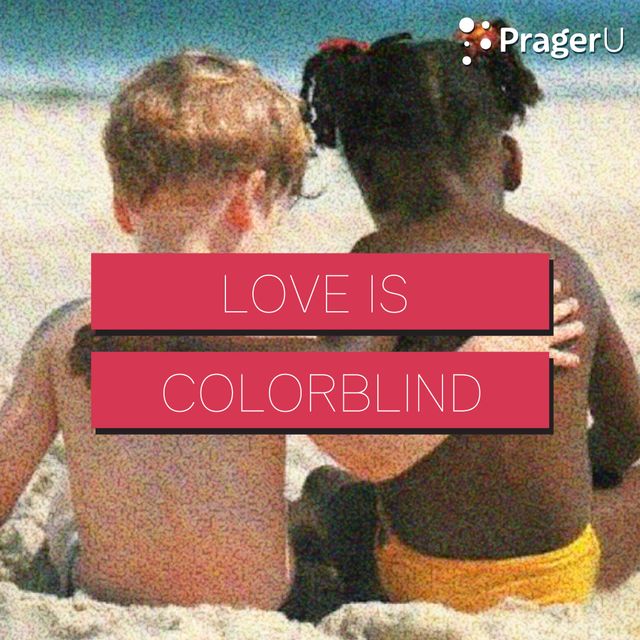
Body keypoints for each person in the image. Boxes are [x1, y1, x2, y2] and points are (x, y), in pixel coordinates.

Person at [0, 48, 582, 611]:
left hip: (108, 598)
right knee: (321, 507)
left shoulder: (65, 333)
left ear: (123, 207)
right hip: (256, 607)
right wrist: (483, 362)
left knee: (67, 509)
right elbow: (373, 454)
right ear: (251, 198)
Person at [297, 23, 640, 613]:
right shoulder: (563, 263)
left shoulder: (382, 261)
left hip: (424, 581)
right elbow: (628, 430)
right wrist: (575, 471)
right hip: (562, 577)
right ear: (509, 159)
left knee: (328, 491)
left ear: (368, 175)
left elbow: (335, 401)